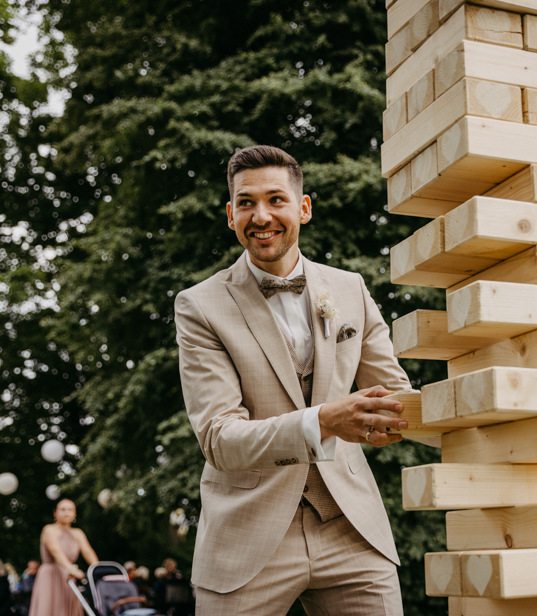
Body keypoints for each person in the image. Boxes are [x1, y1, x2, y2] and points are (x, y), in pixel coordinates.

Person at [175, 145, 412, 615]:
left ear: (303, 207)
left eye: (275, 199)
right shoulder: (199, 306)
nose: (261, 215)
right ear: (230, 215)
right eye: (246, 203)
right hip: (248, 536)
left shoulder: (351, 289)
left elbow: (396, 397)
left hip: (350, 527)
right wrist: (324, 419)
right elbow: (220, 440)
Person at [28, 498, 99, 616]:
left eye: (70, 509)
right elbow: (55, 551)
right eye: (63, 509)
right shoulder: (49, 529)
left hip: (69, 578)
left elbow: (88, 551)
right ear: (55, 513)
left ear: (74, 514)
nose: (67, 512)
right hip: (51, 575)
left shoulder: (78, 533)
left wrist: (98, 569)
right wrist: (71, 569)